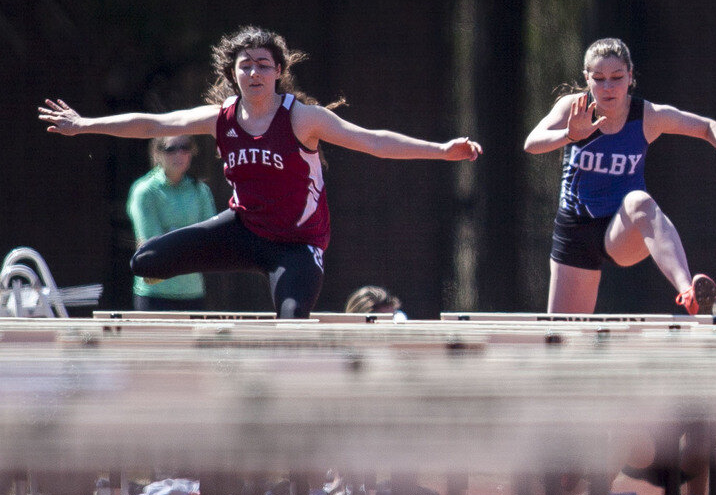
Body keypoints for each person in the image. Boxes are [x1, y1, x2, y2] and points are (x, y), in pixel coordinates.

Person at [40, 27, 479, 318]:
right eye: (245, 65)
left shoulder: (303, 119)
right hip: (243, 232)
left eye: (263, 65)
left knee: (291, 321)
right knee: (145, 261)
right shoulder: (221, 117)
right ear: (233, 74)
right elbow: (156, 124)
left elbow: (374, 142)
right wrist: (85, 125)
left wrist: (441, 151)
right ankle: (229, 265)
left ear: (279, 72)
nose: (253, 72)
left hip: (295, 245)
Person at [525, 38, 716, 316]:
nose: (608, 87)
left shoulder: (647, 116)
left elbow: (707, 127)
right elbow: (532, 143)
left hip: (622, 230)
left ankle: (689, 294)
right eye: (599, 79)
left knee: (639, 201)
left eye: (617, 77)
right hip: (576, 230)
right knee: (562, 336)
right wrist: (570, 134)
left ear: (630, 76)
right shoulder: (573, 109)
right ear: (587, 79)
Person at [125, 135, 219, 310]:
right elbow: (151, 246)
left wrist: (172, 236)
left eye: (185, 147)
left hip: (193, 293)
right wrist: (191, 240)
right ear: (158, 153)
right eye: (171, 149)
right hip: (154, 295)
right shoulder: (144, 191)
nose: (179, 154)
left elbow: (211, 240)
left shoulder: (200, 190)